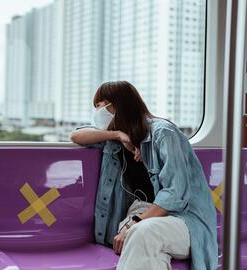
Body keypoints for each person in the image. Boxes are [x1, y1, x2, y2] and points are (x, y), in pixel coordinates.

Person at [70, 81, 218, 270]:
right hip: (143, 213)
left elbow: (176, 192)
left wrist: (136, 222)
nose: (98, 112)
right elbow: (76, 136)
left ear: (118, 104)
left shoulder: (163, 134)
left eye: (101, 105)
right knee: (147, 250)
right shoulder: (116, 140)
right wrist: (117, 135)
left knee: (142, 233)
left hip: (185, 219)